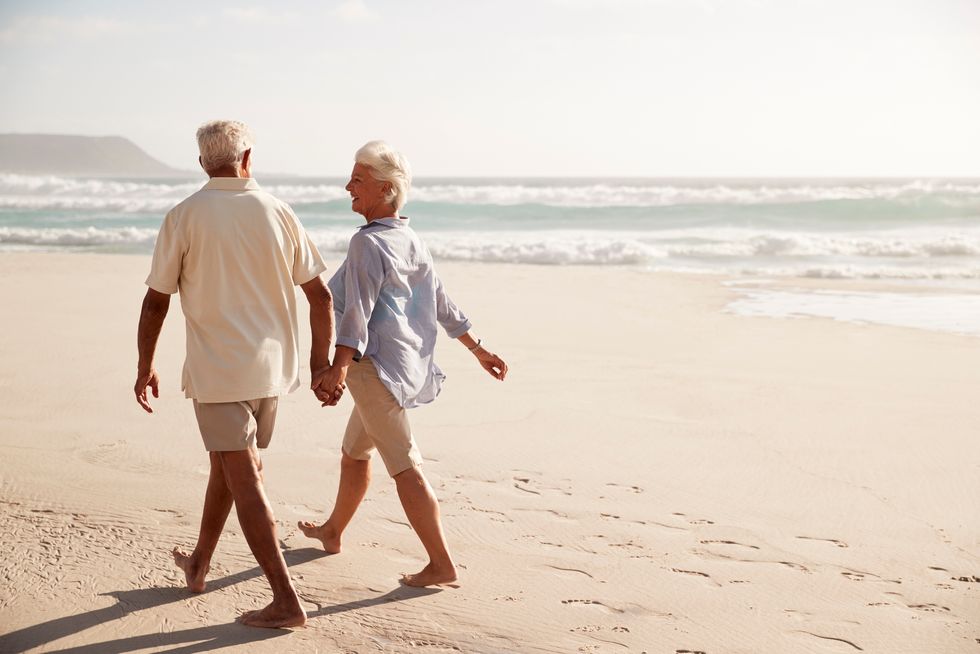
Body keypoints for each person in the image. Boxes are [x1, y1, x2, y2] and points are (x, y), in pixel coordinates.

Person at [134, 120, 341, 628]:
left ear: (203, 163)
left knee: (242, 475)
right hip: (271, 372)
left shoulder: (183, 216)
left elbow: (156, 302)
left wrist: (145, 365)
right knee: (228, 467)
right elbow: (321, 297)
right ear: (248, 157)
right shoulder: (280, 212)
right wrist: (319, 365)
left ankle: (286, 601)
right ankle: (200, 563)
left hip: (218, 372)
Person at [299, 140, 508, 587]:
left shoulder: (366, 244)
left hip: (371, 368)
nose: (348, 186)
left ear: (386, 189)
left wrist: (337, 367)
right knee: (354, 452)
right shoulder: (410, 237)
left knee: (404, 463)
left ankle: (440, 563)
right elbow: (440, 303)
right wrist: (478, 348)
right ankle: (333, 531)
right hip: (392, 364)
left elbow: (356, 312)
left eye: (358, 179)